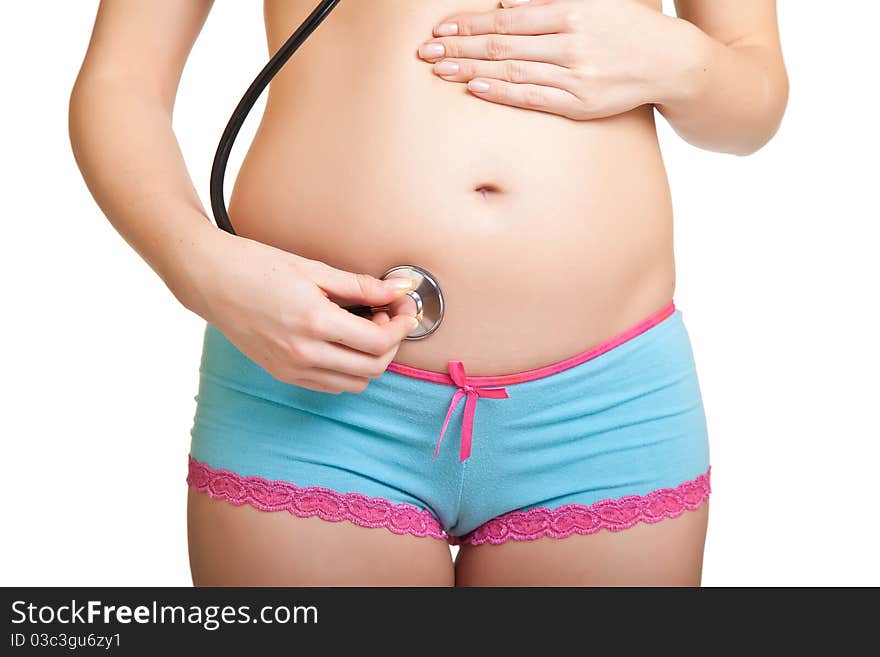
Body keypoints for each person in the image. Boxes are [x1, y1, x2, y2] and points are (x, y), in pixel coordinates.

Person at [69, 0, 788, 586]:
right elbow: (121, 83)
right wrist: (205, 273)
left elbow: (754, 94)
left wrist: (676, 62)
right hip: (312, 396)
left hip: (602, 413)